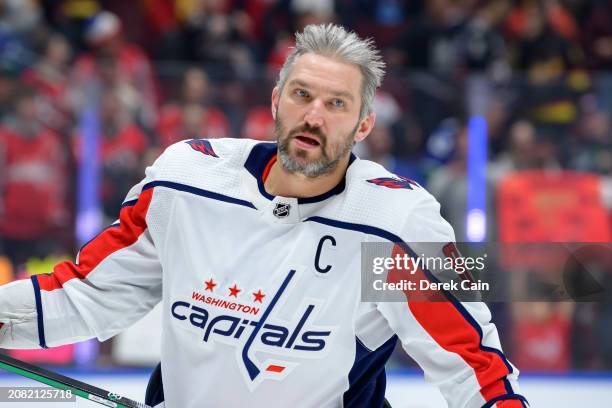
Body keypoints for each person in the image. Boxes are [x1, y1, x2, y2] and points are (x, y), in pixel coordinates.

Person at [0, 24, 526, 408]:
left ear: (364, 125)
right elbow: (87, 294)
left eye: (337, 104)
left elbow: (472, 363)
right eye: (302, 95)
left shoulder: (396, 223)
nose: (314, 116)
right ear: (276, 101)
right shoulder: (187, 180)